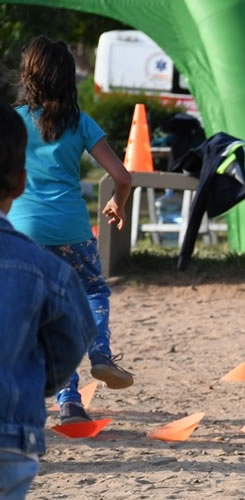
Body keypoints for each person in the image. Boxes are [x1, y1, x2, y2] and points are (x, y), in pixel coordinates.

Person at [9, 36, 134, 424]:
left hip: (23, 232)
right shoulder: (80, 122)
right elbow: (122, 176)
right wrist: (117, 203)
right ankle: (100, 352)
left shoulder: (13, 121)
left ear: (28, 75)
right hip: (72, 230)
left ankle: (70, 401)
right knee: (93, 289)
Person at [0, 101, 97, 499]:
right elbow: (72, 339)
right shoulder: (47, 272)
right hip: (9, 437)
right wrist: (38, 382)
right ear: (20, 183)